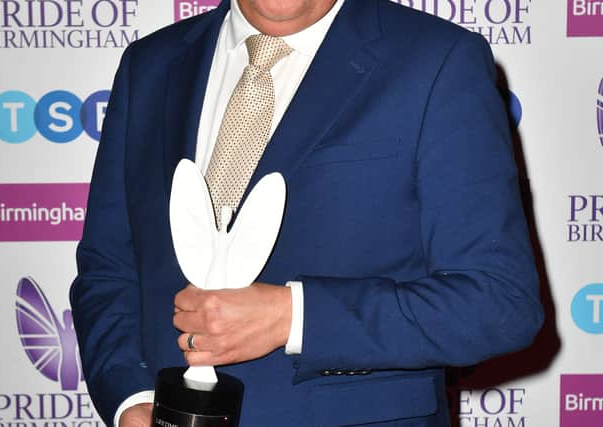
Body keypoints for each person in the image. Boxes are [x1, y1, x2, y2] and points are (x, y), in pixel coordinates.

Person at [70, 0, 544, 426]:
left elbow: (499, 303)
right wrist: (129, 397)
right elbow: (109, 267)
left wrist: (293, 317)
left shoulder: (438, 62)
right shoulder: (149, 65)